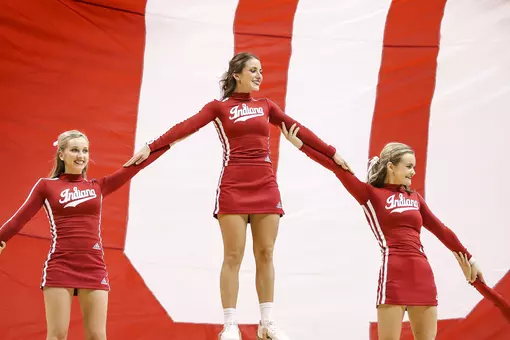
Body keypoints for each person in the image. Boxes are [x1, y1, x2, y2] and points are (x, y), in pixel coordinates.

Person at [124, 52, 350, 340]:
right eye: (253, 70)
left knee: (265, 253)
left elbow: (301, 131)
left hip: (265, 185)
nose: (259, 75)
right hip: (233, 185)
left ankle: (266, 323)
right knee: (233, 255)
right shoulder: (218, 108)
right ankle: (230, 324)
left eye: (261, 70)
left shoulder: (266, 106)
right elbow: (185, 127)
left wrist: (333, 153)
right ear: (236, 74)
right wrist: (150, 145)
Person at [280, 123, 485, 340]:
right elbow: (335, 167)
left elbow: (442, 231)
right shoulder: (369, 194)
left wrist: (470, 260)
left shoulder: (415, 199)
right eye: (408, 166)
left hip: (422, 275)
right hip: (393, 275)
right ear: (391, 167)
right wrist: (301, 144)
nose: (413, 172)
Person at [0, 130, 168, 340]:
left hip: (93, 266)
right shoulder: (46, 186)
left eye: (85, 150)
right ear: (61, 154)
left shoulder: (98, 186)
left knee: (97, 336)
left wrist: (158, 145)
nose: (81, 155)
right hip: (60, 265)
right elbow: (19, 219)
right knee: (57, 336)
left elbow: (135, 167)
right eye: (74, 150)